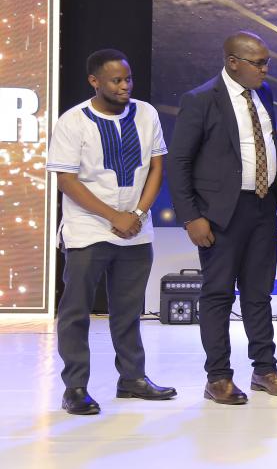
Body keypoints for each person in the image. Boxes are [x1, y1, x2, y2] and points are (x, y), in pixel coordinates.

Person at [46, 49, 177, 415]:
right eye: (116, 81)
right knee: (76, 312)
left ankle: (132, 378)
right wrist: (112, 216)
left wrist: (135, 213)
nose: (124, 86)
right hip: (88, 230)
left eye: (128, 79)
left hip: (136, 228)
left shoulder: (146, 113)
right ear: (95, 82)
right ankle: (75, 387)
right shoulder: (74, 121)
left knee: (129, 310)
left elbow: (156, 168)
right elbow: (67, 181)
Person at [167, 31, 277, 404]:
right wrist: (192, 217)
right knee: (219, 293)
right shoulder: (201, 99)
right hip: (220, 213)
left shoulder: (263, 94)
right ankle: (218, 376)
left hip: (262, 206)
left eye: (267, 62)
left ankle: (264, 368)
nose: (265, 70)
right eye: (259, 63)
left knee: (259, 292)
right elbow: (179, 161)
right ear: (232, 62)